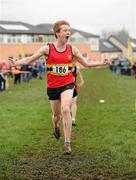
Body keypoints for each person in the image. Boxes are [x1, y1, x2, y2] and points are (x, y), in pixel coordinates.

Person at [9, 20, 108, 155]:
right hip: (53, 86)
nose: (68, 32)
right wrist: (16, 63)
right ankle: (56, 125)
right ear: (57, 33)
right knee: (56, 115)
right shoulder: (47, 49)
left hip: (68, 83)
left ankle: (67, 143)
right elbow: (29, 60)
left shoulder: (72, 50)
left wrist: (101, 62)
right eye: (65, 30)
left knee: (66, 109)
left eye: (69, 30)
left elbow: (86, 63)